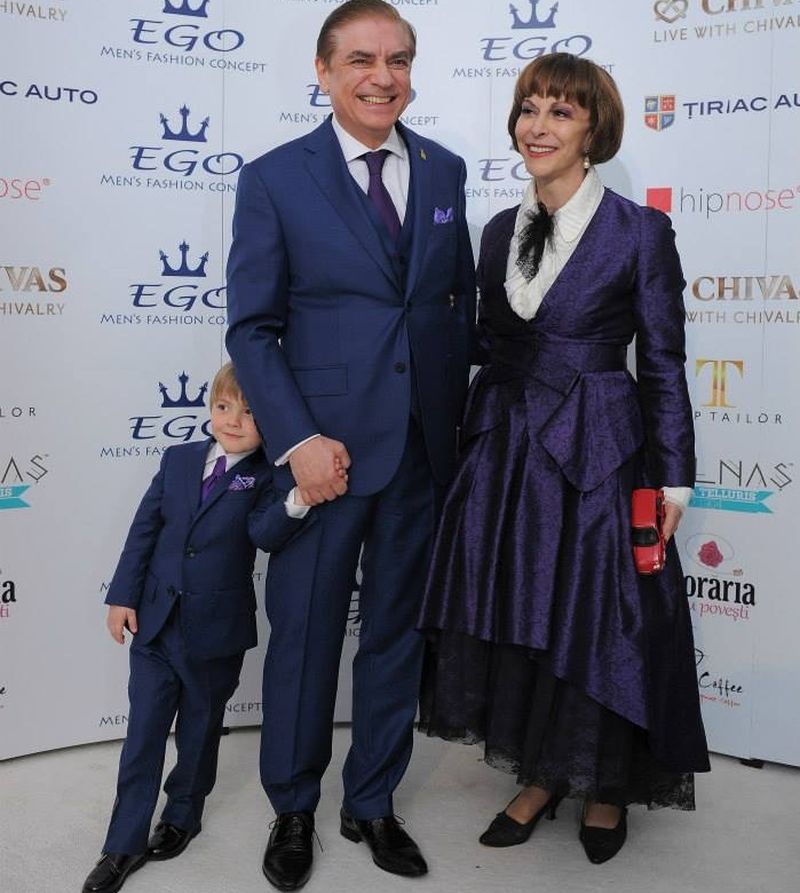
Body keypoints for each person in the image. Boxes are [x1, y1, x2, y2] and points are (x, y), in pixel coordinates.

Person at [418, 53, 709, 866]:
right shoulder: (494, 232)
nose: (538, 127)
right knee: (526, 611)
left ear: (593, 131)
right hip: (508, 449)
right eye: (529, 109)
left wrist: (674, 476)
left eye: (560, 112)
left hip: (598, 450)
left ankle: (605, 784)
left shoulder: (640, 230)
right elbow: (486, 341)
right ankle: (542, 773)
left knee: (599, 617)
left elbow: (663, 361)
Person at [225, 0, 475, 887]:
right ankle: (293, 807)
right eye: (362, 59)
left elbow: (454, 303)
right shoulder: (274, 178)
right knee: (303, 636)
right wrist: (296, 440)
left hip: (421, 452)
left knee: (396, 637)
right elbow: (252, 329)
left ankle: (371, 800)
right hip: (324, 457)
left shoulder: (444, 170)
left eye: (398, 59)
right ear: (324, 72)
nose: (383, 76)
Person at [82, 363, 313, 893]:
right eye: (224, 407)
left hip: (215, 632)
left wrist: (297, 501)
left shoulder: (268, 476)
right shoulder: (179, 458)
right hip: (155, 623)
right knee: (143, 735)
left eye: (250, 412)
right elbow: (144, 529)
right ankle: (121, 844)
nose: (233, 421)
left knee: (199, 730)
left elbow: (265, 534)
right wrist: (122, 596)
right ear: (211, 407)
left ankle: (183, 815)